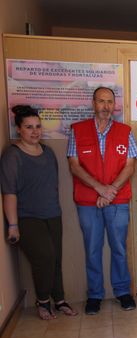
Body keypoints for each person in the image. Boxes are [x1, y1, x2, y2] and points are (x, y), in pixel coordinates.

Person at [1, 105, 78, 320]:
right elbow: (9, 192)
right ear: (19, 130)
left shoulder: (48, 152)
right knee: (44, 257)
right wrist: (13, 225)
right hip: (27, 218)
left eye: (37, 127)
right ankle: (43, 301)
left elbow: (51, 185)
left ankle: (59, 299)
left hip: (52, 214)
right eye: (28, 127)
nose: (35, 131)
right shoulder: (12, 156)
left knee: (55, 260)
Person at [67, 86, 137, 315]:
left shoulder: (125, 131)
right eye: (101, 101)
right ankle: (95, 295)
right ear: (93, 103)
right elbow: (74, 165)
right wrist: (99, 188)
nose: (106, 106)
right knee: (92, 249)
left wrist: (111, 191)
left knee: (119, 248)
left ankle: (122, 291)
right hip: (88, 202)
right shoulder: (77, 130)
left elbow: (130, 165)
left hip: (117, 200)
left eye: (110, 102)